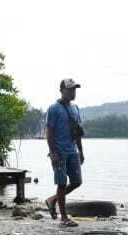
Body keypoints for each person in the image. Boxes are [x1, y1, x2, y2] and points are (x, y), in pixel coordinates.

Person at [44, 78, 84, 227]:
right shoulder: (54, 109)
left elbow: (77, 132)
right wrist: (53, 153)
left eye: (74, 89)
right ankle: (64, 218)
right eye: (69, 89)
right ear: (61, 91)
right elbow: (49, 132)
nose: (73, 92)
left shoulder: (76, 108)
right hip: (59, 152)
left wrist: (80, 151)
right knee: (61, 183)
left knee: (76, 182)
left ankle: (52, 200)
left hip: (72, 150)